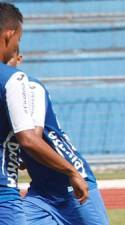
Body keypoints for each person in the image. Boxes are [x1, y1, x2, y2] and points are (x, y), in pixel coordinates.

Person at [0, 2, 88, 225]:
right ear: (9, 35)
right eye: (19, 40)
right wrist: (71, 171)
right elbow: (29, 139)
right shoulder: (13, 78)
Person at [7, 49, 109, 225]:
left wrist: (72, 173)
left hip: (73, 183)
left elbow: (33, 138)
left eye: (8, 60)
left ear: (19, 59)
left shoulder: (31, 88)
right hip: (41, 193)